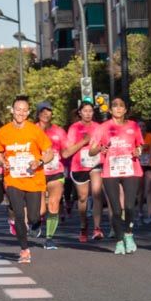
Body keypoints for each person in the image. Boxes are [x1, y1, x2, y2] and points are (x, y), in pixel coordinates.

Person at [0, 95, 56, 264]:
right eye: (17, 109)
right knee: (19, 215)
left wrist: (40, 161)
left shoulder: (35, 131)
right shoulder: (3, 132)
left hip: (34, 179)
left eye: (24, 110)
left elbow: (49, 152)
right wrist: (2, 161)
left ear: (28, 113)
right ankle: (24, 250)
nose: (20, 112)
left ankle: (35, 224)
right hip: (13, 179)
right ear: (12, 110)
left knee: (34, 216)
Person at [88, 96, 145, 255]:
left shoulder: (133, 126)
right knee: (116, 209)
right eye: (115, 106)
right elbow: (91, 150)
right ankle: (119, 241)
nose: (118, 109)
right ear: (110, 109)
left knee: (129, 206)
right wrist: (101, 149)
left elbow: (140, 147)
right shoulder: (102, 127)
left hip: (131, 169)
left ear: (125, 110)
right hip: (110, 170)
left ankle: (129, 234)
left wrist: (137, 151)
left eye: (121, 106)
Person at [64, 99, 106, 243]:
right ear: (80, 113)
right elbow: (67, 151)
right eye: (85, 111)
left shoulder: (99, 127)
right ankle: (83, 226)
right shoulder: (74, 128)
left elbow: (104, 144)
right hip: (79, 165)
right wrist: (83, 142)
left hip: (96, 164)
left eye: (90, 111)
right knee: (82, 198)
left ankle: (97, 228)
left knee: (96, 193)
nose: (88, 114)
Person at [35, 102, 68, 250]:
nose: (46, 114)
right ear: (38, 114)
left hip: (56, 172)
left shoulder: (59, 131)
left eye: (49, 112)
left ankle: (49, 238)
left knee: (54, 204)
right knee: (41, 210)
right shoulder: (31, 130)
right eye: (43, 111)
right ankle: (36, 222)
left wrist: (83, 142)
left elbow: (65, 151)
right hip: (37, 173)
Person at [137, 129, 151, 225]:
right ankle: (140, 213)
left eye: (143, 126)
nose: (142, 128)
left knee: (148, 189)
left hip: (149, 164)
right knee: (140, 191)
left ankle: (150, 215)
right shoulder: (135, 136)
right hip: (139, 165)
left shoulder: (150, 136)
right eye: (140, 126)